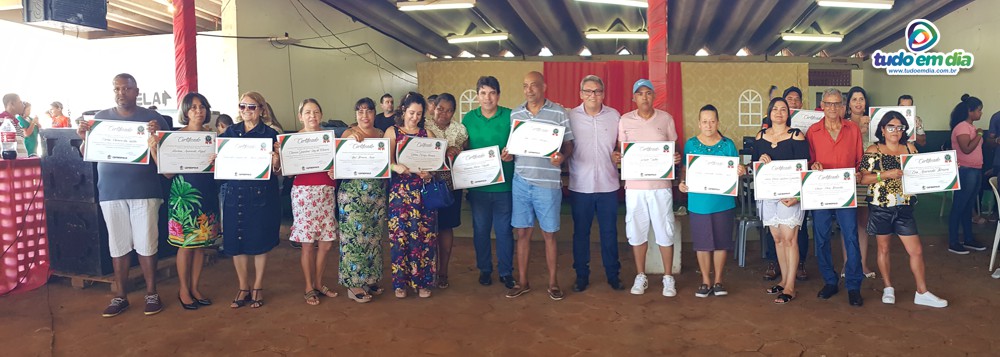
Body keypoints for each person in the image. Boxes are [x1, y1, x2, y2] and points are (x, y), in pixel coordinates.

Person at [75, 74, 171, 317]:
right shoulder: (100, 118)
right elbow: (88, 153)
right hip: (111, 191)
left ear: (136, 91)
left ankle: (152, 293)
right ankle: (121, 296)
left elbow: (168, 153)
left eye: (126, 88)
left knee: (147, 243)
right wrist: (84, 138)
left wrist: (158, 135)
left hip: (145, 190)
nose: (121, 92)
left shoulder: (153, 118)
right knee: (118, 246)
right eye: (117, 88)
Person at [860, 111, 947, 308]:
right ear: (882, 129)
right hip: (881, 206)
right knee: (884, 248)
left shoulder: (909, 148)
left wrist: (947, 170)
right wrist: (886, 175)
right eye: (891, 127)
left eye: (900, 127)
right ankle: (888, 287)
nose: (896, 131)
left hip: (904, 206)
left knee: (916, 250)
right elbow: (863, 178)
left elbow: (922, 172)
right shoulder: (874, 149)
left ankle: (922, 291)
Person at [506, 71, 575, 300]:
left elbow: (569, 145)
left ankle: (553, 283)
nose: (529, 90)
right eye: (525, 86)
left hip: (548, 183)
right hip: (521, 181)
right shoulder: (516, 113)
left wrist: (562, 158)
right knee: (522, 232)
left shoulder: (559, 112)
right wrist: (508, 155)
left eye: (533, 85)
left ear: (544, 86)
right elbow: (513, 146)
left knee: (549, 234)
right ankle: (523, 282)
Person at [148, 92, 219, 310]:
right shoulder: (174, 137)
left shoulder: (213, 137)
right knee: (186, 245)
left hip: (206, 195)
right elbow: (167, 174)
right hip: (184, 198)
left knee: (201, 246)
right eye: (193, 107)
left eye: (202, 107)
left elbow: (219, 171)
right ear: (185, 112)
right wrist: (153, 149)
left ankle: (195, 287)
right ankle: (183, 289)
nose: (199, 111)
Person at [612, 79, 680, 297]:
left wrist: (675, 158)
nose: (644, 97)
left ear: (654, 96)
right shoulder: (624, 121)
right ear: (634, 97)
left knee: (665, 230)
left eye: (648, 93)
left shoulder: (666, 119)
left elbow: (673, 149)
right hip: (635, 187)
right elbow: (621, 151)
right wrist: (617, 157)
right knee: (636, 231)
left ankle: (668, 277)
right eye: (639, 93)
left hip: (660, 186)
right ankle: (641, 275)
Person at [220, 91, 282, 309]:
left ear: (262, 110)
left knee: (259, 241)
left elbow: (278, 171)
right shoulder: (229, 132)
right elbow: (218, 164)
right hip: (234, 192)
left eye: (252, 107)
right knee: (237, 242)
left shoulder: (270, 135)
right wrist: (215, 160)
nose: (246, 111)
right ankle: (243, 286)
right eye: (242, 106)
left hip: (260, 195)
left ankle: (257, 286)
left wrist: (276, 161)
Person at [677, 105, 744, 298]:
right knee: (702, 243)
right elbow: (684, 170)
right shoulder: (690, 144)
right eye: (704, 121)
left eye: (712, 121)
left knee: (722, 242)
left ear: (718, 122)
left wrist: (741, 170)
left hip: (723, 202)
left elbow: (736, 170)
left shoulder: (728, 144)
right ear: (699, 123)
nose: (708, 125)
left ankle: (718, 280)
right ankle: (705, 280)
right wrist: (682, 183)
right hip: (699, 202)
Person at [807, 88, 865, 307]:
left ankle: (853, 285)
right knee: (821, 238)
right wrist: (813, 165)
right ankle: (830, 281)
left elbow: (860, 159)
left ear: (843, 106)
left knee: (851, 237)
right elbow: (809, 162)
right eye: (828, 104)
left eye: (837, 104)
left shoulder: (853, 130)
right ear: (822, 105)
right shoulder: (812, 131)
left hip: (845, 192)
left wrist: (859, 172)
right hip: (820, 192)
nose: (832, 108)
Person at [567, 75, 623, 292]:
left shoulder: (614, 116)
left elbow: (620, 146)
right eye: (588, 91)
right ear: (581, 94)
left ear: (603, 93)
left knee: (609, 233)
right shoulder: (570, 116)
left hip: (608, 185)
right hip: (581, 186)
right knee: (581, 233)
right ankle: (581, 276)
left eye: (597, 91)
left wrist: (619, 154)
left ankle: (613, 275)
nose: (593, 95)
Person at [753, 98, 809, 304]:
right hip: (768, 195)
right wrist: (761, 161)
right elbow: (754, 165)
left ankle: (791, 287)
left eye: (783, 109)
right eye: (775, 109)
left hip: (789, 197)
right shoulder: (760, 136)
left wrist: (797, 196)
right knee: (777, 239)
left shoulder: (796, 136)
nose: (778, 112)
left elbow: (805, 168)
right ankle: (784, 280)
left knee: (789, 239)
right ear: (769, 112)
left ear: (789, 113)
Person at [463, 76, 516, 291]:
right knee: (481, 230)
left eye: (492, 92)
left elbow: (519, 144)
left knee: (504, 231)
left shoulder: (510, 116)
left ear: (498, 95)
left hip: (505, 186)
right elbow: (463, 148)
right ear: (477, 96)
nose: (488, 97)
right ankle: (485, 269)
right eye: (483, 93)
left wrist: (512, 153)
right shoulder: (468, 119)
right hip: (478, 187)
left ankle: (506, 271)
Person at [385, 92, 438, 299]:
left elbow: (436, 166)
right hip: (400, 194)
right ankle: (400, 284)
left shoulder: (428, 135)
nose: (414, 117)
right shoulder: (392, 132)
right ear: (403, 111)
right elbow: (384, 163)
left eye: (419, 114)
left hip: (423, 194)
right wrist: (395, 166)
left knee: (424, 238)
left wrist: (429, 173)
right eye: (411, 113)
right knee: (400, 239)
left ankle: (423, 282)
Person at [287, 99, 340, 305]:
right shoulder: (292, 140)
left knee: (326, 243)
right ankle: (309, 286)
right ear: (300, 116)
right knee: (308, 244)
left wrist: (337, 170)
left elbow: (340, 164)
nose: (312, 116)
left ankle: (318, 282)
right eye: (307, 112)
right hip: (304, 193)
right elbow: (286, 172)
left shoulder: (329, 138)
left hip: (326, 191)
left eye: (316, 112)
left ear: (321, 115)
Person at [338, 97, 387, 303]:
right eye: (360, 111)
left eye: (368, 111)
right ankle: (354, 284)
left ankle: (370, 278)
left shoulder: (381, 135)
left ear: (375, 113)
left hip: (375, 193)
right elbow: (338, 162)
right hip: (353, 193)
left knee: (373, 239)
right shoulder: (349, 134)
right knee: (353, 238)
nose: (364, 115)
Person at [426, 93, 468, 289]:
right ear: (433, 107)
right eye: (440, 108)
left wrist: (457, 153)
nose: (444, 113)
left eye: (449, 110)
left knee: (445, 227)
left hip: (451, 187)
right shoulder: (423, 127)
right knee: (425, 229)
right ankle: (426, 271)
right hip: (426, 185)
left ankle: (443, 271)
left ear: (454, 112)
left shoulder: (460, 130)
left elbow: (467, 155)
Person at [947, 94, 988, 254]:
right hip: (965, 170)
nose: (981, 113)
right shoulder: (962, 127)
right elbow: (967, 148)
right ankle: (953, 241)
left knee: (969, 206)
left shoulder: (970, 127)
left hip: (975, 169)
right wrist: (979, 135)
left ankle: (968, 239)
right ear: (970, 111)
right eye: (979, 110)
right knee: (959, 205)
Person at [845, 86, 875, 279]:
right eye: (854, 99)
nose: (858, 103)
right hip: (847, 178)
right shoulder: (844, 125)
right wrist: (860, 130)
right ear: (848, 104)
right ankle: (848, 263)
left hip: (867, 179)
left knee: (862, 222)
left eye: (861, 99)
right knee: (847, 223)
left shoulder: (876, 124)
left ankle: (862, 264)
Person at [1, 93, 28, 158]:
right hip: (8, 166)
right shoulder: (1, 120)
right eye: (20, 102)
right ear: (12, 104)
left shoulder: (16, 123)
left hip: (20, 165)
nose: (23, 106)